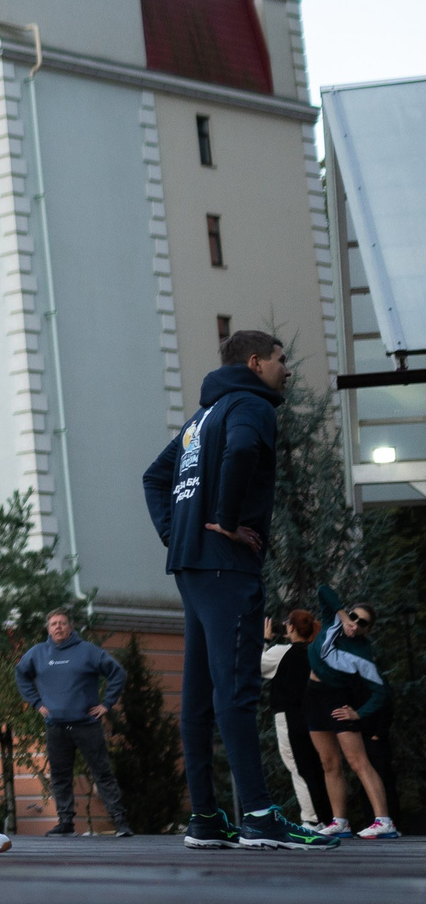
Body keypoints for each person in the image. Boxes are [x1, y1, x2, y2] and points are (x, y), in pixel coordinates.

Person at [143, 328, 337, 850]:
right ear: (254, 363)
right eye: (281, 360)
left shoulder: (200, 420)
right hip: (227, 565)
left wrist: (177, 532)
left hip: (191, 564)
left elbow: (154, 477)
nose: (287, 369)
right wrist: (227, 520)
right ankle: (258, 816)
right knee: (237, 690)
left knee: (200, 692)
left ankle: (205, 817)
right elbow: (245, 449)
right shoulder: (252, 406)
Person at [12, 609, 130, 838]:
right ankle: (66, 823)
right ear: (48, 628)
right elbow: (21, 674)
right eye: (54, 623)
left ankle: (120, 822)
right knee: (60, 777)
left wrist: (106, 704)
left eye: (62, 623)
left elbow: (118, 673)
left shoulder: (87, 651)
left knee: (102, 773)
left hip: (87, 724)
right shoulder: (38, 653)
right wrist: (36, 703)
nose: (58, 627)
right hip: (56, 725)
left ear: (71, 627)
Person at [304, 589, 396, 839]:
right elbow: (324, 590)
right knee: (328, 763)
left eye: (362, 623)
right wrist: (343, 615)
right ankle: (340, 822)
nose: (354, 625)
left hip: (336, 701)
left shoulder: (363, 654)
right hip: (313, 697)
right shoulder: (334, 620)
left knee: (358, 761)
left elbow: (381, 693)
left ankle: (384, 821)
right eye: (354, 618)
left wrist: (358, 714)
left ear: (368, 630)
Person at [261, 610, 328, 826]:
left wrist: (264, 639)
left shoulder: (282, 651)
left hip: (289, 715)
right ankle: (327, 816)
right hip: (315, 715)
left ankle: (312, 819)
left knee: (297, 766)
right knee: (317, 766)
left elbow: (255, 665)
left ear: (291, 627)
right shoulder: (316, 652)